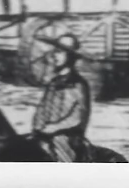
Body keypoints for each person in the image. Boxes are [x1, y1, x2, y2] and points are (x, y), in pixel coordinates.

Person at [30, 32, 92, 162]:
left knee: (60, 154)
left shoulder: (77, 84)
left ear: (70, 57)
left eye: (60, 52)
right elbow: (42, 108)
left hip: (68, 137)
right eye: (55, 51)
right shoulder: (53, 83)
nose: (54, 55)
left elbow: (76, 117)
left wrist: (53, 128)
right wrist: (38, 126)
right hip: (45, 135)